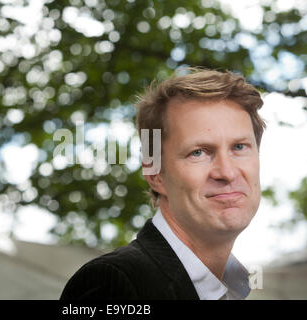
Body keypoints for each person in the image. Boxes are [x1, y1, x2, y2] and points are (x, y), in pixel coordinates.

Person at [60, 68, 266, 300]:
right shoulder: (111, 284)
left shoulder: (233, 288)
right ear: (155, 174)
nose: (227, 173)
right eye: (198, 152)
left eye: (239, 147)